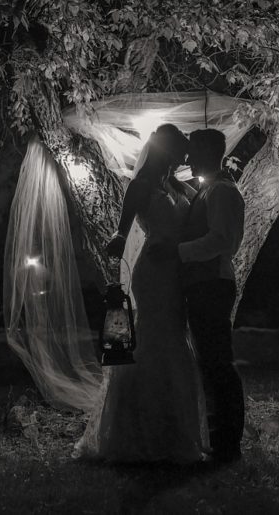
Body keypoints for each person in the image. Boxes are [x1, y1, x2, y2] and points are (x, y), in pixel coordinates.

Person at [73, 124, 207, 464]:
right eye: (180, 150)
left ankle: (174, 428)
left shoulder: (178, 184)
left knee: (175, 339)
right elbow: (121, 234)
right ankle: (137, 432)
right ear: (167, 150)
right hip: (154, 271)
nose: (185, 157)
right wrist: (117, 241)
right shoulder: (142, 185)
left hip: (176, 270)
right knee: (155, 341)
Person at [152, 128, 246, 464]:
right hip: (203, 285)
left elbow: (222, 241)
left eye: (193, 152)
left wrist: (177, 252)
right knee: (210, 361)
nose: (187, 159)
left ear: (209, 152)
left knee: (219, 362)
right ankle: (221, 439)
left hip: (213, 285)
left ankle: (229, 443)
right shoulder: (208, 190)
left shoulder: (221, 192)